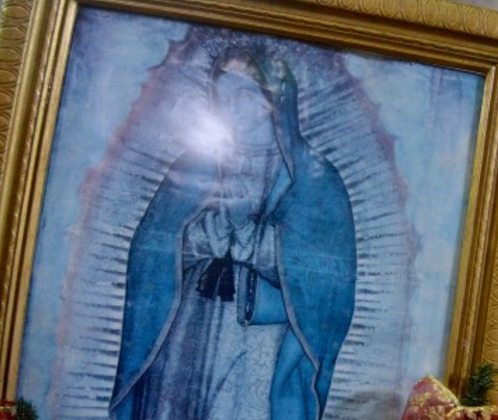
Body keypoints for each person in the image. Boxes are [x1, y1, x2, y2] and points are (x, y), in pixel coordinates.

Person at [110, 48, 357, 420]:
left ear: (273, 99)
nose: (232, 108)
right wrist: (206, 232)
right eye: (222, 98)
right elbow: (151, 248)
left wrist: (249, 235)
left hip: (262, 344)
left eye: (243, 96)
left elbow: (328, 282)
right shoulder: (193, 166)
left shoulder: (314, 179)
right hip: (187, 336)